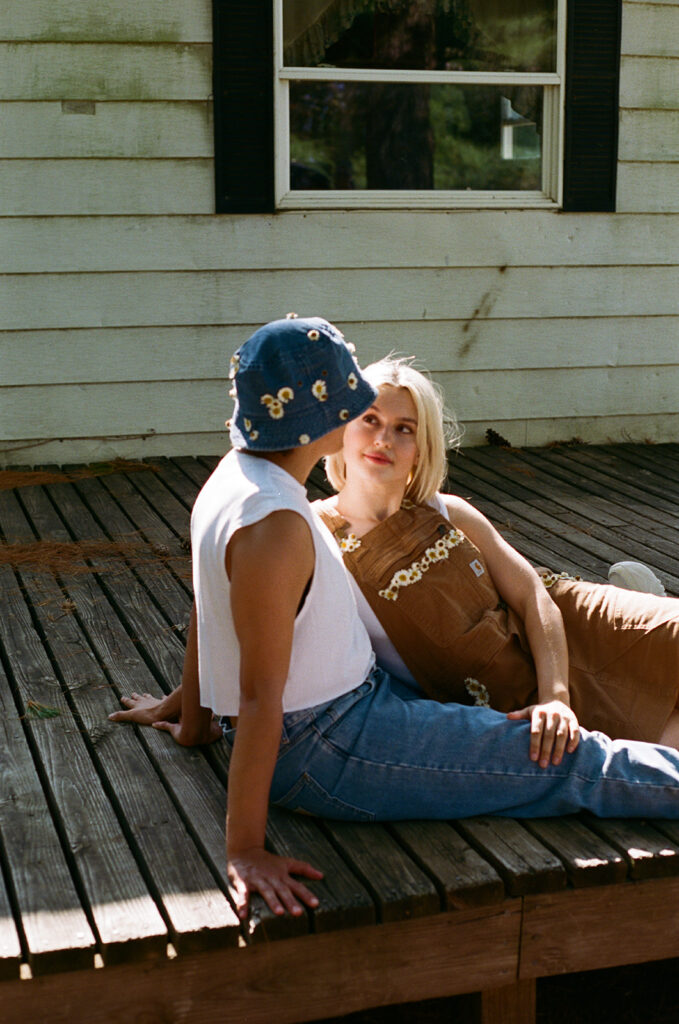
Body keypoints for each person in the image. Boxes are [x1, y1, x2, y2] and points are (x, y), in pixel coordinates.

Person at [110, 319, 679, 923]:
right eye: (351, 399)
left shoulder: (237, 478)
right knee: (567, 764)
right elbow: (257, 698)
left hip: (357, 707)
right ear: (321, 415)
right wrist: (245, 849)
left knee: (562, 749)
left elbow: (211, 601)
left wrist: (195, 718)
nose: (363, 412)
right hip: (331, 740)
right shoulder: (276, 523)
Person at [316, 356, 679, 762]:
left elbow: (533, 597)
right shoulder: (315, 536)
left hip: (568, 628)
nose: (383, 439)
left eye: (404, 429)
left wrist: (556, 698)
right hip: (509, 690)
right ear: (342, 429)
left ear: (420, 450)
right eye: (370, 420)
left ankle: (640, 600)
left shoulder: (447, 511)